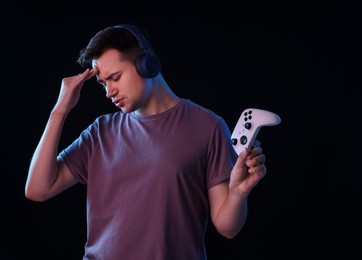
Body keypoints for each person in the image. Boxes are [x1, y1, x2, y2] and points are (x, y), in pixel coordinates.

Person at [25, 23, 268, 260]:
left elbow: (227, 227)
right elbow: (38, 189)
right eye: (103, 83)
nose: (109, 91)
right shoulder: (100, 132)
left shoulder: (208, 126)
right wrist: (59, 111)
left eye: (116, 77)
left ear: (146, 64)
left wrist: (237, 194)